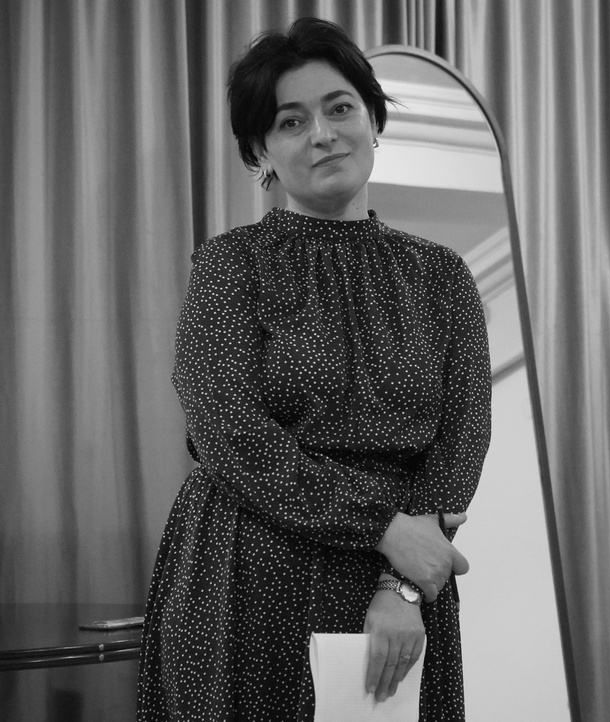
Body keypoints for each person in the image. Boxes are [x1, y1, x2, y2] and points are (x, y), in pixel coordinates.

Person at [137, 17, 491, 722]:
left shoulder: (442, 277)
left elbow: (462, 439)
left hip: (396, 585)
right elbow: (227, 431)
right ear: (261, 152)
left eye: (340, 108)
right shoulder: (230, 264)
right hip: (245, 571)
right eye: (291, 121)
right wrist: (387, 528)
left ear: (373, 120)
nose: (323, 134)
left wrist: (403, 586)